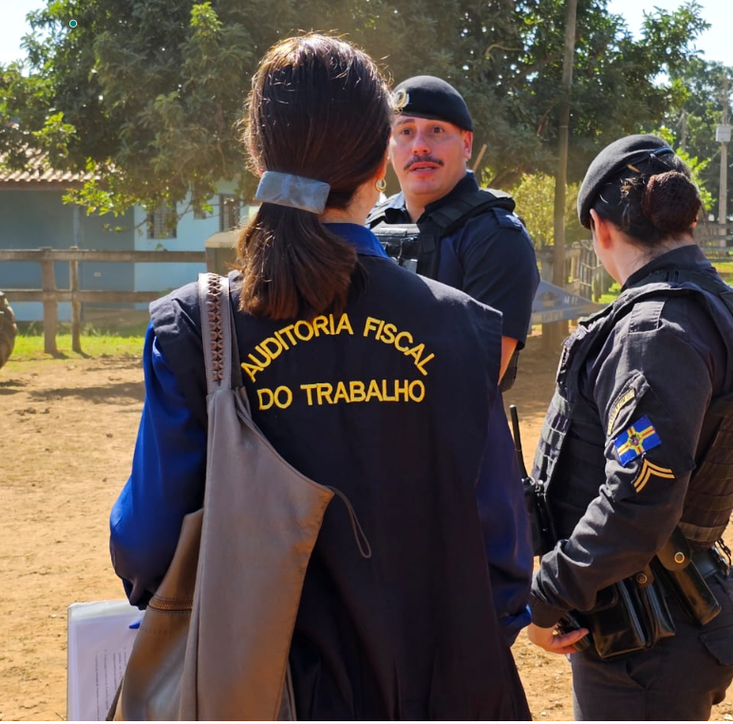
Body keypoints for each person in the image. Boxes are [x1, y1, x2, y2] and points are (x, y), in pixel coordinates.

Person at [110, 34, 532, 720]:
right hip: (444, 688)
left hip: (257, 690)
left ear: (258, 154)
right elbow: (503, 559)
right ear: (379, 160)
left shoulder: (194, 327)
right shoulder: (463, 328)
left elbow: (147, 546)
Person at [526, 134, 733, 720]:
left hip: (646, 643)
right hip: (671, 621)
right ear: (687, 219)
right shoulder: (711, 306)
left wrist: (547, 597)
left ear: (599, 225)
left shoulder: (654, 330)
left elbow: (637, 501)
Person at [367, 75, 539, 389]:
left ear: (466, 144)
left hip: (455, 436)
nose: (419, 146)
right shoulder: (366, 226)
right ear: (388, 148)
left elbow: (473, 382)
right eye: (405, 131)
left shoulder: (497, 237)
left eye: (437, 130)